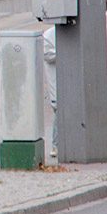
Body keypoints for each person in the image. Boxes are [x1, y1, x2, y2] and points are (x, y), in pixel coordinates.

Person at [43, 26, 58, 158]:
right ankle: (56, 145)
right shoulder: (49, 34)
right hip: (57, 80)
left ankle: (57, 144)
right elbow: (48, 55)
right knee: (59, 108)